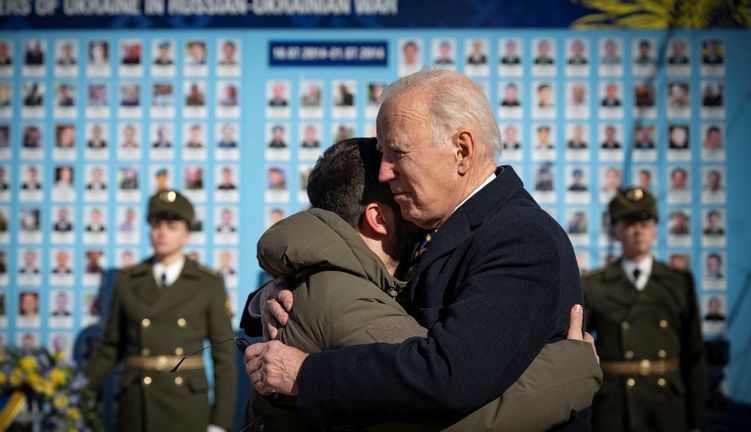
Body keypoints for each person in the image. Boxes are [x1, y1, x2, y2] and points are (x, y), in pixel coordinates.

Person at [247, 70, 591, 429]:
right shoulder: (439, 227)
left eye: (398, 152)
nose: (383, 173)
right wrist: (280, 293)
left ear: (462, 150)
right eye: (382, 155)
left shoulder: (520, 238)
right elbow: (365, 283)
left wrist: (306, 374)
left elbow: (449, 377)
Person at [84, 189, 236, 432]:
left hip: (187, 406)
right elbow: (110, 348)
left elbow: (224, 358)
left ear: (186, 234)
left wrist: (220, 422)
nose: (162, 232)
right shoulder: (127, 280)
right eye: (156, 224)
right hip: (136, 405)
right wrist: (73, 395)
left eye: (171, 226)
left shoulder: (208, 283)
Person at [582, 187, 705, 432]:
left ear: (655, 230)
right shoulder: (593, 285)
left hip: (667, 406)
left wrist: (697, 421)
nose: (638, 231)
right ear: (615, 231)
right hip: (615, 407)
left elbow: (694, 354)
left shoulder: (678, 282)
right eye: (629, 224)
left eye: (645, 223)